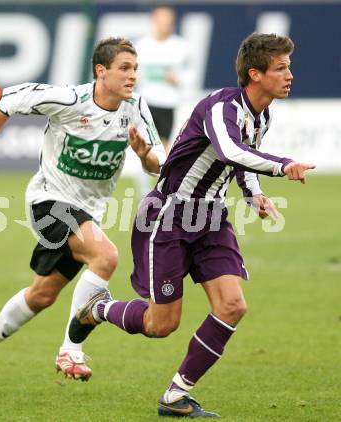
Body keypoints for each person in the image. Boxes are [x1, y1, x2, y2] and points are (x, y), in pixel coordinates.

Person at [69, 33, 316, 418]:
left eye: (288, 67)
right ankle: (98, 308)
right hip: (168, 216)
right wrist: (284, 164)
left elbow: (241, 163)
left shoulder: (261, 115)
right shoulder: (221, 107)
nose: (290, 75)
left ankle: (175, 395)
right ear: (255, 74)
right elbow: (230, 150)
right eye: (281, 68)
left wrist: (253, 194)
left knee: (232, 306)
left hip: (211, 218)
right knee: (161, 323)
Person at [0, 37, 165, 388]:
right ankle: (70, 349)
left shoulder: (136, 107)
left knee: (42, 295)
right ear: (100, 71)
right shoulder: (69, 100)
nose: (132, 75)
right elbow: (7, 99)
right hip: (48, 201)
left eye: (135, 68)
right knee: (105, 256)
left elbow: (157, 164)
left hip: (87, 212)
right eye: (124, 68)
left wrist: (142, 154)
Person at [134, 5, 192, 196]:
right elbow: (133, 72)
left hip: (168, 102)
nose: (163, 25)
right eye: (160, 20)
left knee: (164, 146)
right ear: (154, 21)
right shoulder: (142, 46)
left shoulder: (180, 47)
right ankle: (144, 189)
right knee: (145, 144)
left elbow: (190, 75)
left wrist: (178, 79)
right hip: (146, 101)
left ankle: (160, 188)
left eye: (167, 21)